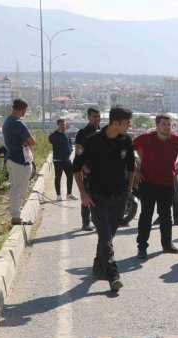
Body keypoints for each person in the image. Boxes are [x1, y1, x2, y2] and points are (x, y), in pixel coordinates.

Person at [73, 105, 135, 293]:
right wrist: (83, 193)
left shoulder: (126, 141)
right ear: (115, 123)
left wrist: (129, 189)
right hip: (97, 196)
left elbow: (131, 167)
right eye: (126, 123)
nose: (129, 126)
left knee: (108, 235)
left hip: (119, 196)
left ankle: (99, 265)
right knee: (106, 236)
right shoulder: (93, 141)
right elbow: (76, 167)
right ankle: (113, 274)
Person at [134, 114, 178, 259]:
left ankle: (167, 244)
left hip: (167, 184)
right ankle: (142, 247)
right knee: (146, 215)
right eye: (164, 124)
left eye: (169, 124)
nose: (167, 127)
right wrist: (136, 171)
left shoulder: (176, 139)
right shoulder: (146, 137)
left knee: (166, 215)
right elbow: (129, 148)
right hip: (147, 183)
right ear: (157, 124)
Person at [2, 99, 35, 226]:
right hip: (20, 161)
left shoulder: (7, 121)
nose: (25, 112)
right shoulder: (18, 123)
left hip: (11, 158)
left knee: (14, 188)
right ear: (22, 109)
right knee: (19, 189)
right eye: (25, 110)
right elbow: (32, 141)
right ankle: (16, 218)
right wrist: (27, 140)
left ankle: (16, 214)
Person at [74, 108, 101, 231]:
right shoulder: (83, 133)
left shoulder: (102, 131)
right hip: (88, 171)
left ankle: (97, 220)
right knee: (86, 196)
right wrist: (84, 167)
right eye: (94, 116)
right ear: (89, 117)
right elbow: (78, 152)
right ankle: (85, 223)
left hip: (100, 172)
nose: (97, 118)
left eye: (98, 116)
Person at [48, 119, 75, 202]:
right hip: (58, 160)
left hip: (67, 159)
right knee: (58, 178)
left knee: (70, 176)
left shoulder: (67, 134)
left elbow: (70, 144)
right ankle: (58, 195)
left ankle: (69, 194)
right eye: (61, 125)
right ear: (58, 126)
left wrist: (70, 150)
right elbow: (50, 139)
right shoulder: (54, 135)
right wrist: (55, 132)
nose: (63, 126)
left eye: (64, 125)